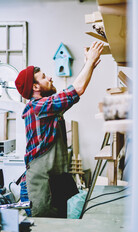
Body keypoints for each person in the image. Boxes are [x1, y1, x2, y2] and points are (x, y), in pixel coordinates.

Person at [15, 41, 104, 217]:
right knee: (45, 231)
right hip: (41, 185)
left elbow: (74, 93)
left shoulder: (48, 107)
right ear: (35, 87)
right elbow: (77, 89)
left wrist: (90, 65)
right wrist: (89, 62)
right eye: (44, 77)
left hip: (55, 180)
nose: (50, 78)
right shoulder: (38, 107)